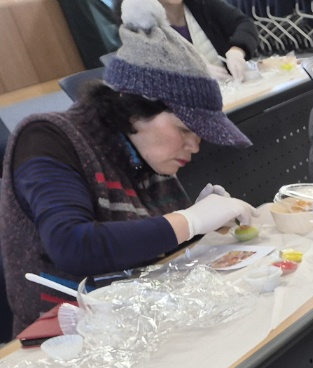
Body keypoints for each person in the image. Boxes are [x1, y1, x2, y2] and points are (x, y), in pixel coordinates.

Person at [0, 0, 255, 337]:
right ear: (135, 110)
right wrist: (188, 221)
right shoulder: (47, 138)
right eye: (184, 130)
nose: (194, 147)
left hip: (141, 321)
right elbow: (73, 246)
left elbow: (145, 245)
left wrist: (198, 223)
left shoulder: (142, 149)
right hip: (64, 338)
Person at [157, 0, 259, 81]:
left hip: (232, 91)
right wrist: (195, 71)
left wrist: (237, 51)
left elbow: (245, 23)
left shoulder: (203, 4)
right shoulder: (150, 27)